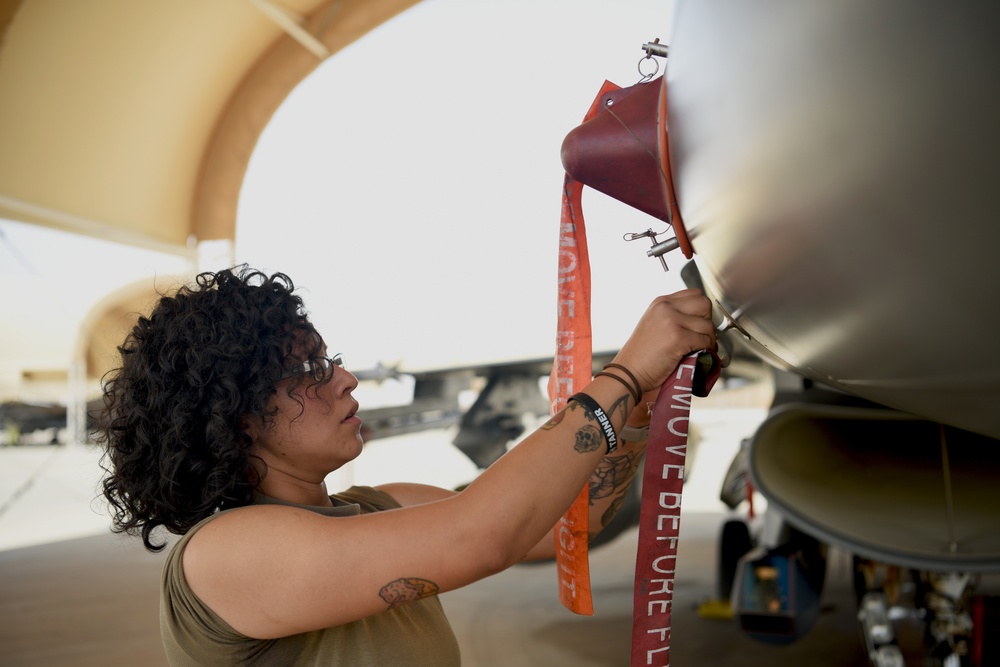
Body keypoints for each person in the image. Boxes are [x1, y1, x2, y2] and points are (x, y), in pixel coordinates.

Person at [97, 266, 716, 666]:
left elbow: (554, 530)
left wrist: (638, 408)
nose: (346, 379)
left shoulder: (378, 507)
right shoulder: (223, 554)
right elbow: (483, 535)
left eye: (330, 359)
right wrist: (625, 371)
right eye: (309, 369)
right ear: (239, 415)